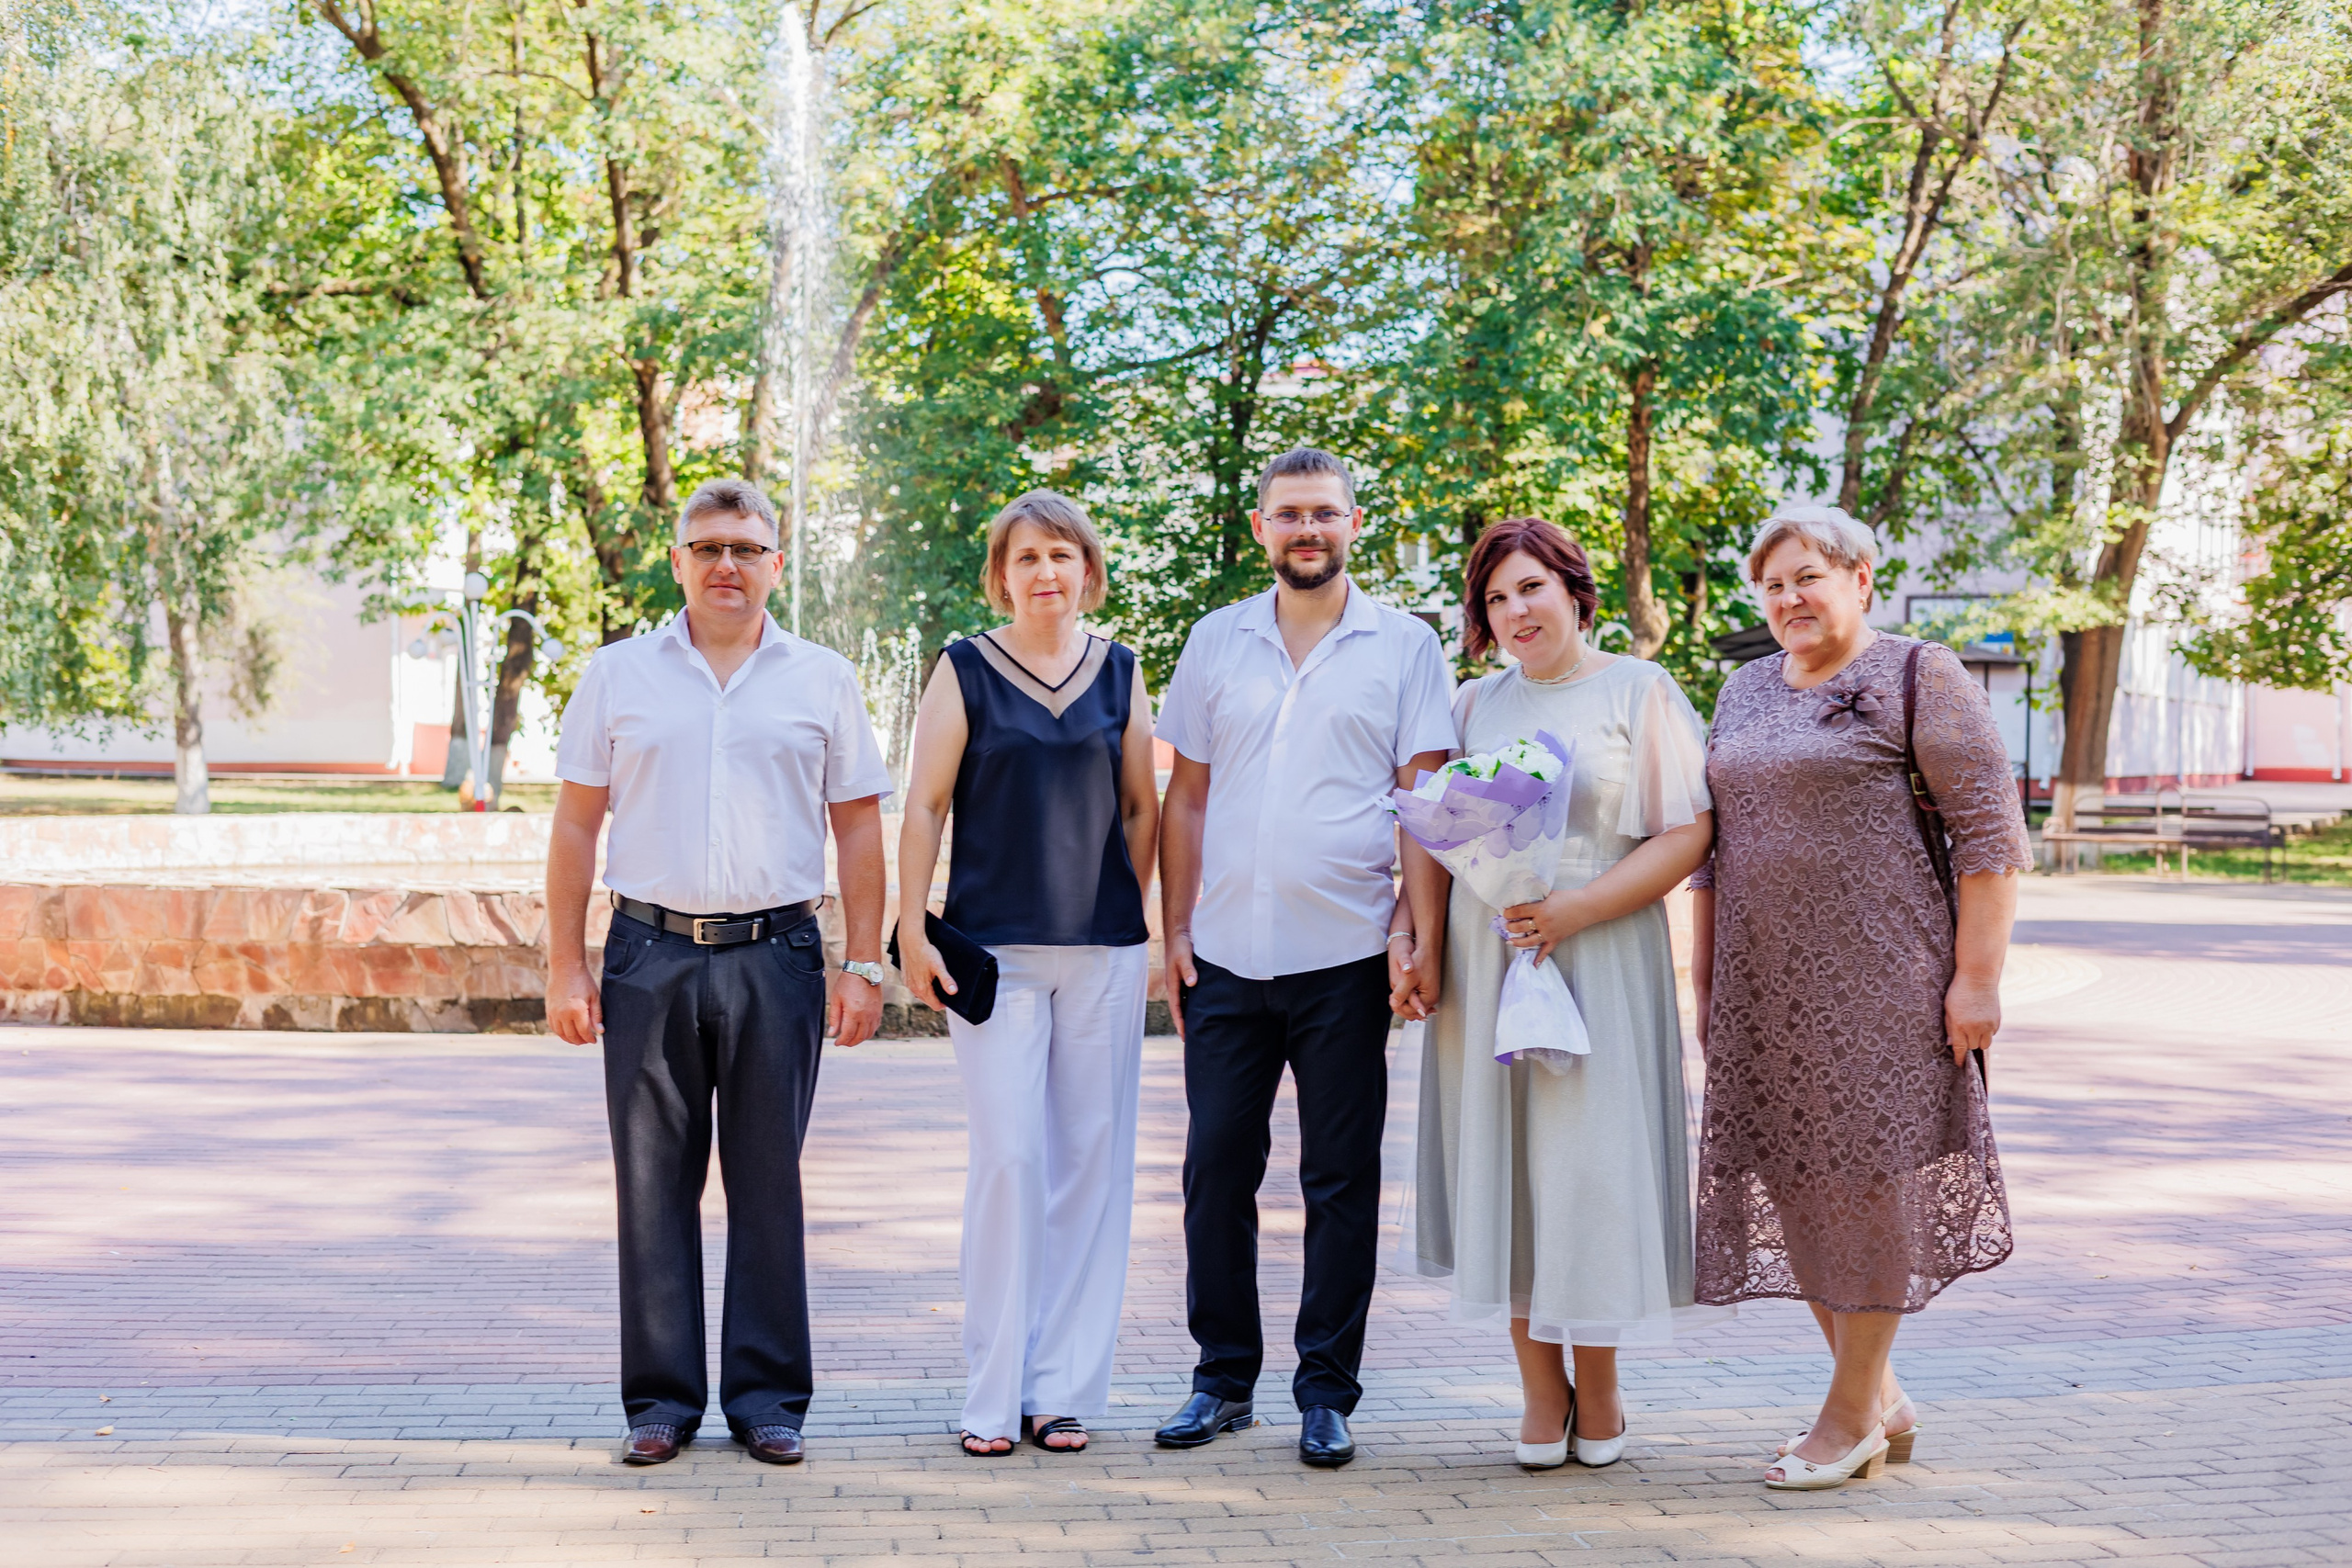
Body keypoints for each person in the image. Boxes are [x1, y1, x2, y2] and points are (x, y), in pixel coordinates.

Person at [544, 478, 893, 1468]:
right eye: (707, 547)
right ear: (678, 562)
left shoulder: (822, 678)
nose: (726, 564)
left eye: (745, 547)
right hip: (646, 955)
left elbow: (857, 829)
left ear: (776, 563)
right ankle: (661, 1402)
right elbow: (575, 825)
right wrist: (565, 965)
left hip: (778, 956)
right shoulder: (618, 674)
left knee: (768, 1183)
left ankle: (766, 1399)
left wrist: (863, 963)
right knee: (651, 1184)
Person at [1690, 504, 2030, 1490]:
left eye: (1807, 576)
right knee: (1794, 1181)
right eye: (1772, 585)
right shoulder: (1743, 688)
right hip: (1763, 987)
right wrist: (1706, 976)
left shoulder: (1920, 673)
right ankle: (1882, 1395)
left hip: (1885, 980)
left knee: (1869, 1186)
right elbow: (1712, 849)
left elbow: (1989, 834)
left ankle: (1848, 1420)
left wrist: (1977, 980)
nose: (1789, 598)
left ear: (1860, 578)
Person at [1152, 447, 1456, 1469]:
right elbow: (1186, 797)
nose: (1307, 529)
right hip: (1226, 958)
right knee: (1214, 1171)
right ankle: (1221, 1380)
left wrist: (1418, 933)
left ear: (1353, 524)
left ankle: (1326, 1390)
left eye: (1324, 512)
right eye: (1288, 514)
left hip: (1348, 958)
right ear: (1261, 528)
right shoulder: (1216, 639)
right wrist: (1175, 930)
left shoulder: (1405, 645)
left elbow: (1424, 802)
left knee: (1339, 1179)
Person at [1399, 518, 1723, 1472]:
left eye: (1531, 587)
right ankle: (1541, 1390)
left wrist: (1574, 910)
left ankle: (1603, 1385)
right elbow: (1429, 834)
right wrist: (1416, 941)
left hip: (1600, 951)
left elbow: (1687, 831)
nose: (1515, 611)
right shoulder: (1470, 704)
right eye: (1495, 598)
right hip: (1490, 956)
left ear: (1575, 592)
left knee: (1590, 1170)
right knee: (1507, 1169)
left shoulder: (1639, 690)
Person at [895, 491, 1159, 1458]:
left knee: (1091, 1165)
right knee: (1009, 1161)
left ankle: (1060, 1391)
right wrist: (910, 930)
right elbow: (924, 806)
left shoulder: (1121, 671)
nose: (1046, 571)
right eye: (1026, 557)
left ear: (1088, 569)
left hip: (1102, 954)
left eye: (1062, 554)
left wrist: (1128, 915)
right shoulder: (964, 668)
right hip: (992, 956)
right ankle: (991, 1394)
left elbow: (1141, 808)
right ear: (1000, 575)